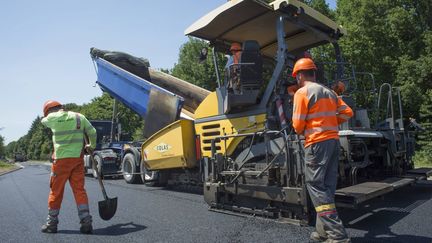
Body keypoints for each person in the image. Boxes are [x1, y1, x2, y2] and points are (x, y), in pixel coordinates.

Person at [291, 58, 353, 243]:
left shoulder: (302, 92)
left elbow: (297, 124)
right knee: (326, 188)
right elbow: (347, 112)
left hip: (316, 143)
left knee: (316, 187)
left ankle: (337, 235)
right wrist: (331, 123)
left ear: (300, 75)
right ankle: (322, 232)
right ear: (314, 73)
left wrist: (305, 128)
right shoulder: (330, 92)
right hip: (334, 141)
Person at [40, 100, 97, 234]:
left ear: (49, 111)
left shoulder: (51, 118)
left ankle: (51, 224)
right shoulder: (79, 117)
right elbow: (92, 132)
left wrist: (49, 116)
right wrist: (91, 146)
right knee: (79, 190)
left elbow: (43, 121)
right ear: (62, 107)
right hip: (77, 159)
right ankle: (86, 222)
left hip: (60, 161)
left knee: (56, 192)